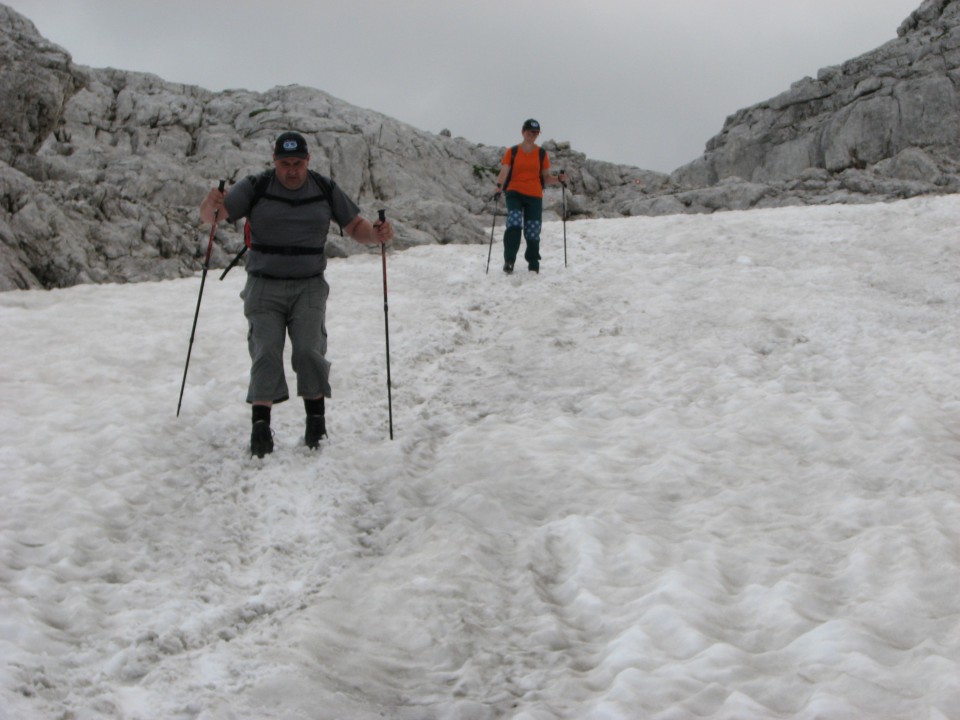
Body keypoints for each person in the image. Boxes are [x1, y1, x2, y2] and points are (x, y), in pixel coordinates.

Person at [199, 131, 393, 457]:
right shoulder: (256, 186)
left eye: (298, 163)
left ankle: (315, 422)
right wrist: (210, 203)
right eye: (285, 163)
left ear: (308, 161)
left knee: (308, 350)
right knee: (266, 351)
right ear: (274, 161)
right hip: (263, 284)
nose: (292, 170)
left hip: (309, 285)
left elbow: (355, 226)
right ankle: (260, 427)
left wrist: (376, 235)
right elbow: (214, 218)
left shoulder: (324, 188)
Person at [493, 119, 567, 274]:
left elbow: (545, 177)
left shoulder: (541, 154)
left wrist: (558, 179)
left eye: (535, 132)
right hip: (514, 192)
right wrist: (498, 187)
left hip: (534, 195)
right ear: (523, 132)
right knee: (514, 222)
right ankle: (509, 260)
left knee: (533, 229)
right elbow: (504, 171)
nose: (532, 135)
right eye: (529, 132)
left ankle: (533, 263)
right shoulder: (512, 152)